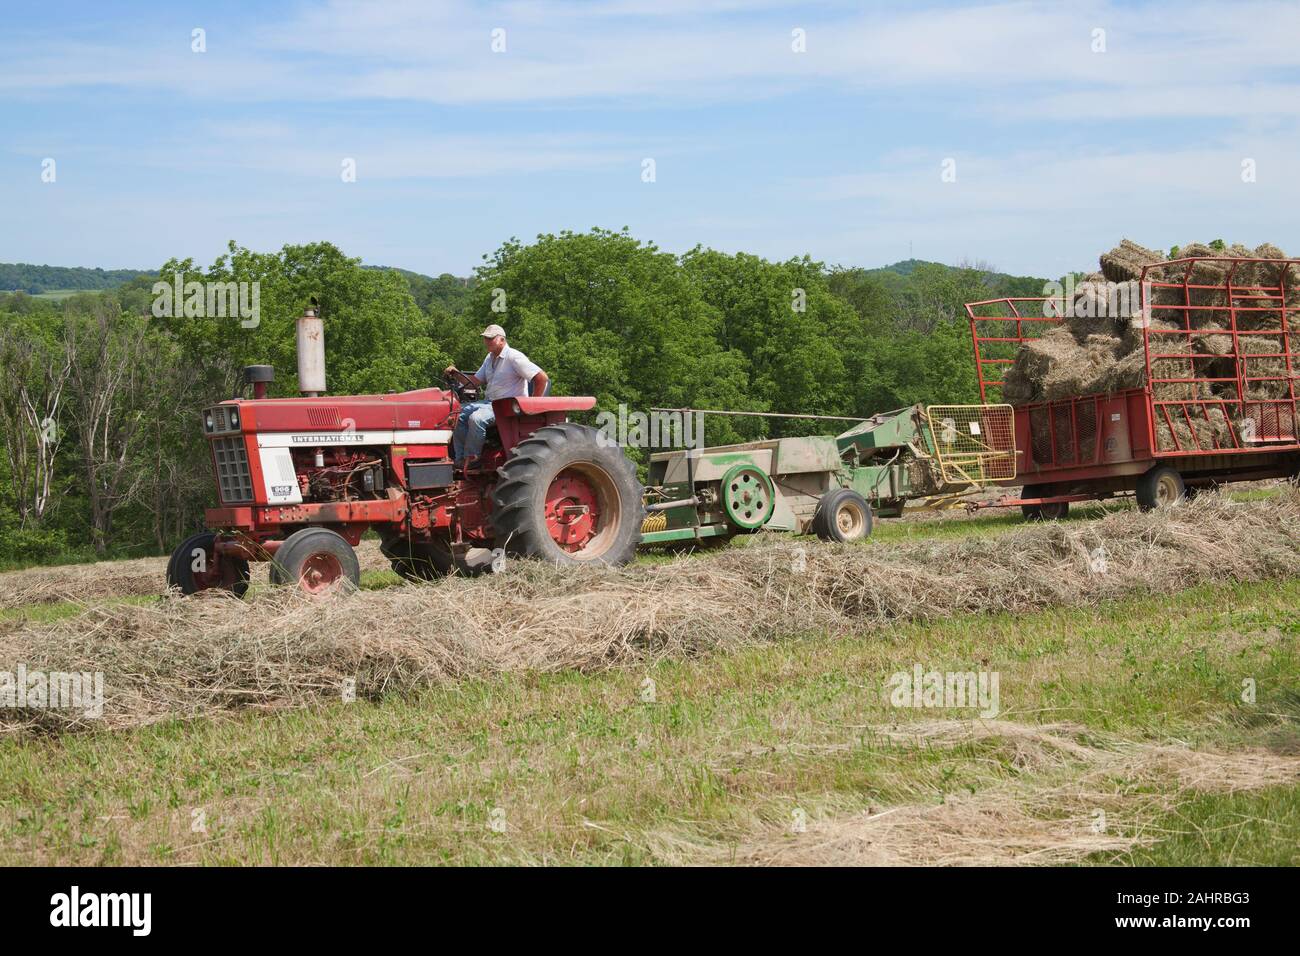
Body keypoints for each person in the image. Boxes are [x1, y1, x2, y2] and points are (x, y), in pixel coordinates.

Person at [445, 324, 549, 468]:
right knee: (456, 414)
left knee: (477, 419)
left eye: (490, 338)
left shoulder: (514, 357)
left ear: (502, 339)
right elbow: (473, 382)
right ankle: (459, 459)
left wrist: (532, 406)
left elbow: (541, 378)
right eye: (485, 338)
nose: (486, 342)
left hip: (507, 405)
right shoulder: (489, 358)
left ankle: (472, 459)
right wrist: (456, 374)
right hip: (490, 403)